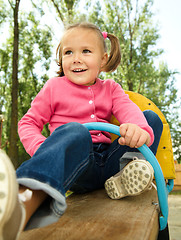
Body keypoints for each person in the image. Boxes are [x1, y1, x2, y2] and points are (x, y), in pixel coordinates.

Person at [0, 22, 164, 239]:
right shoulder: (54, 88)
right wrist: (46, 148)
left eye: (86, 51)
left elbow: (128, 110)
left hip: (111, 163)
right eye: (69, 52)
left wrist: (138, 129)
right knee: (76, 132)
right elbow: (27, 123)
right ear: (61, 59)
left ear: (103, 59)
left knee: (151, 119)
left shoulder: (111, 88)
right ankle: (21, 203)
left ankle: (127, 176)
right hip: (79, 165)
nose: (76, 58)